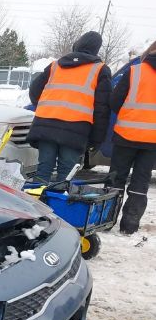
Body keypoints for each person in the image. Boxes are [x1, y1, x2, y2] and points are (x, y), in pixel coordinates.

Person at [27, 31, 112, 182]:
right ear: (96, 49)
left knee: (43, 170)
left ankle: (36, 203)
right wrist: (97, 139)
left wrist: (45, 106)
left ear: (77, 44)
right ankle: (57, 204)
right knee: (65, 175)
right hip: (75, 130)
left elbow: (34, 91)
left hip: (46, 124)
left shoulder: (55, 65)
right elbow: (102, 109)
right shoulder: (100, 70)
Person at [108, 39, 156, 235]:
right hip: (152, 140)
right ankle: (129, 226)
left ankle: (106, 220)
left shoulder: (135, 71)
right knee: (140, 182)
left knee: (115, 179)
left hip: (126, 134)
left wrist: (129, 114)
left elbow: (114, 101)